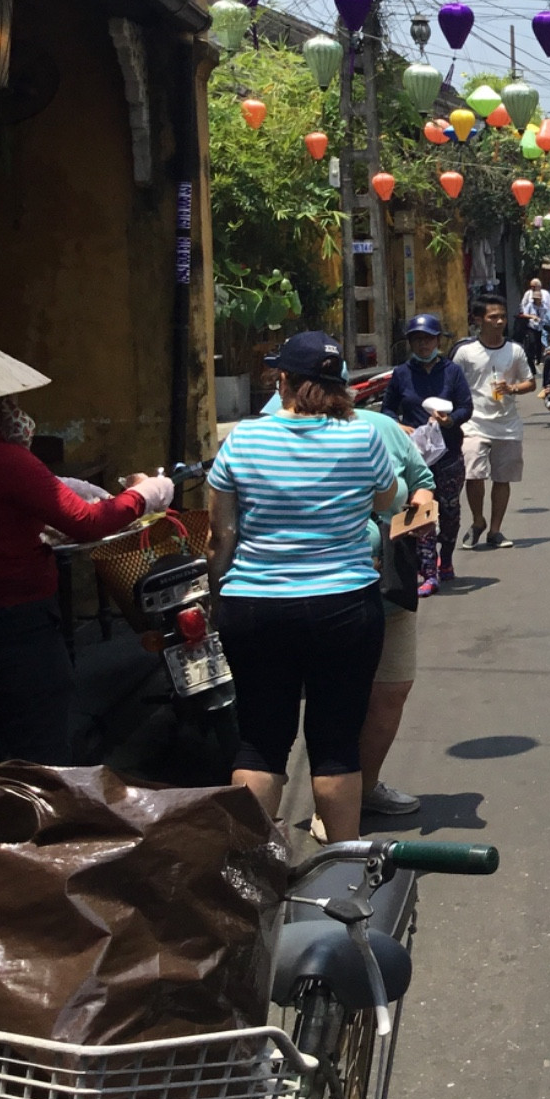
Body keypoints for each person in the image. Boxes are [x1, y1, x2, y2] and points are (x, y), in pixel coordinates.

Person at [0, 328, 172, 814]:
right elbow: (88, 521)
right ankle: (44, 868)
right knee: (43, 754)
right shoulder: (5, 461)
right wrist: (147, 493)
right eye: (4, 400)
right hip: (17, 627)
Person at [208, 331, 398, 846]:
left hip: (254, 607)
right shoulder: (364, 437)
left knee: (260, 743)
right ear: (340, 385)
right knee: (336, 744)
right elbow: (384, 501)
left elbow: (221, 534)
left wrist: (215, 594)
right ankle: (344, 871)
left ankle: (247, 870)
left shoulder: (244, 439)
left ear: (284, 381)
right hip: (344, 606)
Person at [354, 405, 435, 818]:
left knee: (392, 688)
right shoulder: (275, 427)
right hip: (331, 591)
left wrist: (415, 516)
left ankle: (364, 787)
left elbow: (423, 481)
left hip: (391, 586)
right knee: (339, 697)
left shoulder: (381, 427)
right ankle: (336, 798)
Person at [382, 314, 472, 590]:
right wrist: (399, 426)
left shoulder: (452, 371)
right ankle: (428, 569)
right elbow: (387, 408)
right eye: (418, 340)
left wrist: (450, 420)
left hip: (448, 456)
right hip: (415, 457)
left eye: (428, 339)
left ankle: (446, 559)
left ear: (437, 341)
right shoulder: (401, 374)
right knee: (421, 511)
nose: (423, 345)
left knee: (449, 510)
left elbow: (466, 407)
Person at [454, 296, 534, 550]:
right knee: (473, 474)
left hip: (507, 424)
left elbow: (530, 382)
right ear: (478, 320)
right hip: (473, 424)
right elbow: (452, 383)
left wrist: (511, 388)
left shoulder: (516, 350)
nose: (499, 321)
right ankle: (478, 521)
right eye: (492, 317)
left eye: (502, 316)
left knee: (503, 478)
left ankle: (495, 530)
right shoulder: (465, 352)